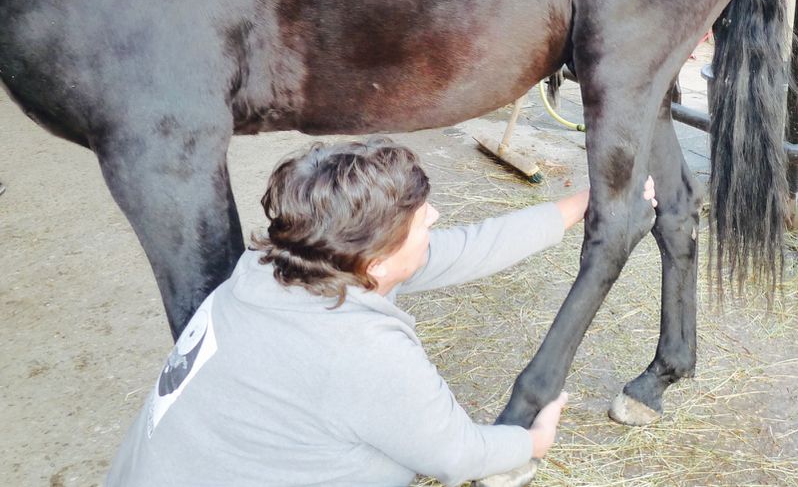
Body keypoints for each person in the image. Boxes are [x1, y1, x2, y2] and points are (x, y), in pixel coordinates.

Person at [107, 138, 653, 487]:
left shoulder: (273, 267)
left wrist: (582, 204)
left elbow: (466, 247)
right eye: (421, 221)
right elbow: (456, 454)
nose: (436, 214)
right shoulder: (358, 350)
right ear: (377, 257)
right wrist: (532, 441)